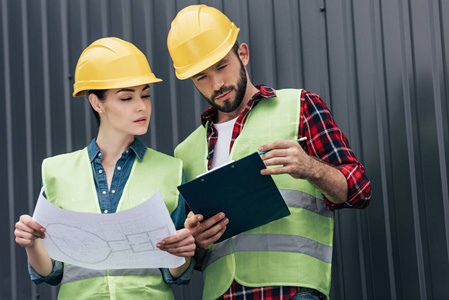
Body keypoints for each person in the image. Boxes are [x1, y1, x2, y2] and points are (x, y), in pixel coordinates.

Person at [167, 5, 371, 300]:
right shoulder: (185, 151)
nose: (217, 84)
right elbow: (195, 260)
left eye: (222, 66)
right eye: (201, 77)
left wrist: (310, 167)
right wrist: (197, 242)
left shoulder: (299, 106)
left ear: (244, 54)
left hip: (292, 292)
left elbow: (360, 190)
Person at [14, 37, 195, 299]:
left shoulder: (171, 170)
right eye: (126, 98)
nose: (141, 106)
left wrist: (184, 252)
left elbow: (175, 274)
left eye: (145, 95)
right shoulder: (57, 172)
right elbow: (51, 272)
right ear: (97, 103)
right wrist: (31, 244)